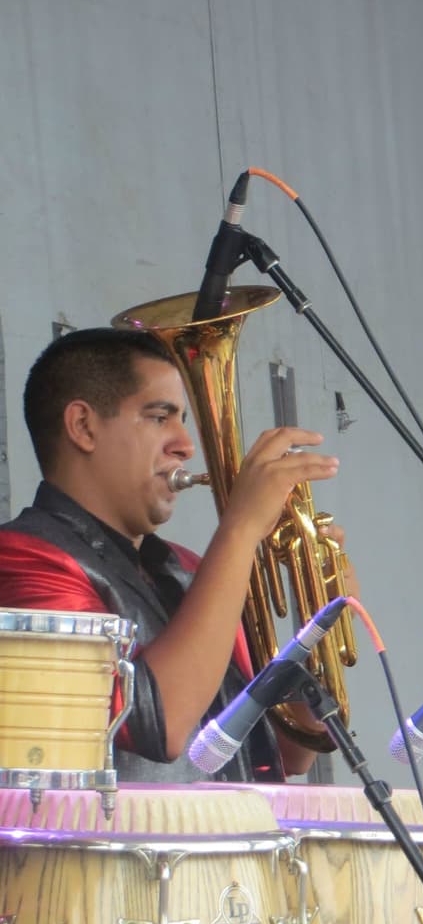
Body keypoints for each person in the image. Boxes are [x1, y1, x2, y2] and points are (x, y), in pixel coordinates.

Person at [0, 326, 344, 783]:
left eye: (181, 418)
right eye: (160, 417)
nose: (186, 445)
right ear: (83, 426)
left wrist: (321, 617)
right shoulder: (20, 556)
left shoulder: (188, 569)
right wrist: (240, 529)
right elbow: (159, 724)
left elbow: (287, 750)